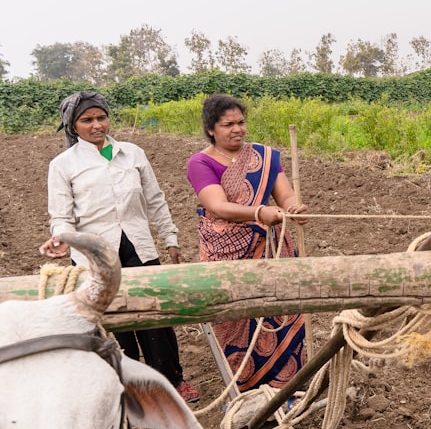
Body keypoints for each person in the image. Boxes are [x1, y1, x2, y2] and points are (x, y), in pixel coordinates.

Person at [40, 91, 200, 402]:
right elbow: (61, 215)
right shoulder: (63, 165)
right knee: (115, 319)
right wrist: (62, 237)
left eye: (101, 117)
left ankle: (171, 380)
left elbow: (155, 200)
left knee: (155, 314)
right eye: (87, 120)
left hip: (138, 245)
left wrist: (170, 238)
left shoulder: (132, 153)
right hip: (94, 255)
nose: (96, 125)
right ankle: (130, 383)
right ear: (73, 126)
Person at [186, 93, 309, 392]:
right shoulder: (200, 162)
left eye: (241, 122)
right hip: (225, 250)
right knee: (235, 319)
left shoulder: (264, 157)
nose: (237, 129)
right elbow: (217, 206)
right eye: (228, 124)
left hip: (270, 246)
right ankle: (246, 389)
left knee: (282, 308)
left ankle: (290, 386)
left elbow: (285, 195)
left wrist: (293, 208)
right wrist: (259, 212)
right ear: (212, 129)